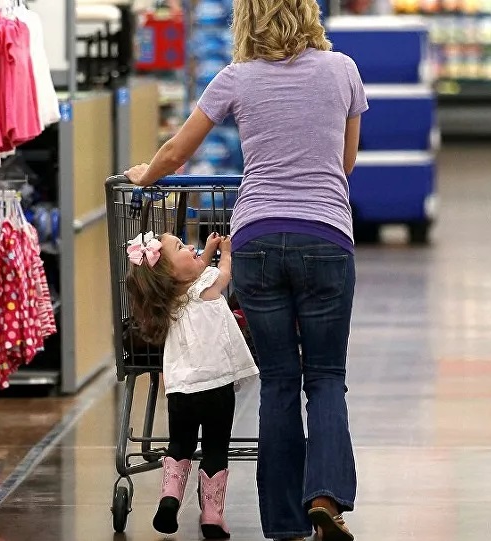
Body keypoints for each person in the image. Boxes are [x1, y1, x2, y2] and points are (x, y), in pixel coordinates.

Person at [123, 0, 367, 538]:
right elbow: (344, 164)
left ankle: (283, 522)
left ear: (246, 20)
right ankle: (325, 496)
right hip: (326, 235)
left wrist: (146, 176)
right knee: (326, 378)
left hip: (255, 240)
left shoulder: (235, 78)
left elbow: (176, 150)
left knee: (279, 380)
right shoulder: (344, 70)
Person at [125, 231, 260, 539]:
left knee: (180, 444)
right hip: (217, 386)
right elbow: (223, 273)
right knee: (215, 448)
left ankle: (169, 499)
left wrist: (207, 248)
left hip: (180, 389)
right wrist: (224, 253)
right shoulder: (208, 283)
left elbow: (192, 268)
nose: (190, 248)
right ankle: (212, 516)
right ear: (172, 272)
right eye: (181, 247)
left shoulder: (166, 300)